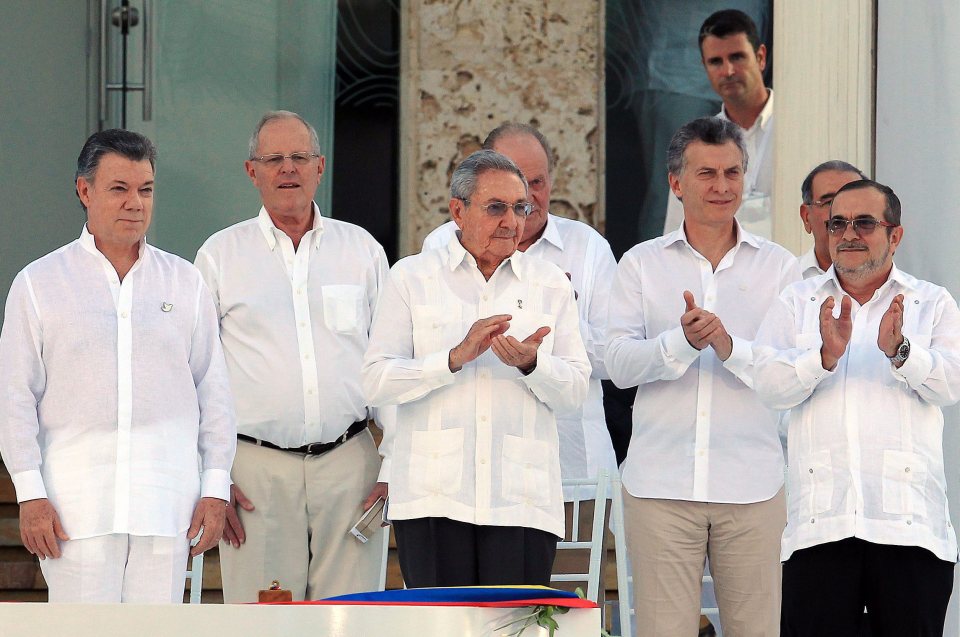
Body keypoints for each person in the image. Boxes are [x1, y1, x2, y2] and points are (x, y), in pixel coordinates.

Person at [0, 129, 235, 603]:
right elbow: (14, 397)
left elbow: (213, 393)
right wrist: (29, 492)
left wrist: (215, 487)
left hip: (166, 503)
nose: (135, 203)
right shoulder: (39, 284)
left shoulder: (184, 282)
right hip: (74, 508)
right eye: (119, 188)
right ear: (84, 191)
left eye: (145, 189)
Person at [606, 116, 799, 636]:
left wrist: (728, 347)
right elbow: (616, 365)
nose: (722, 187)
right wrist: (680, 343)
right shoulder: (641, 264)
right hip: (660, 486)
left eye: (733, 173)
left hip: (753, 486)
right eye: (707, 173)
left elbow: (792, 373)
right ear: (676, 183)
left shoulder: (782, 269)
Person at [362, 149, 590, 587]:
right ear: (457, 211)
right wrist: (451, 359)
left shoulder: (550, 283)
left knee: (511, 632)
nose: (511, 221)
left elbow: (575, 391)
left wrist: (533, 364)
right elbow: (376, 381)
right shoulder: (411, 277)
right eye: (496, 207)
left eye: (519, 208)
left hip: (520, 498)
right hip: (433, 496)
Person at [195, 111, 389, 602]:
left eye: (299, 157)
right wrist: (212, 476)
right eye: (273, 159)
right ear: (251, 170)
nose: (288, 169)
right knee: (265, 619)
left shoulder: (361, 250)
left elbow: (391, 360)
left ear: (319, 166)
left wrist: (394, 465)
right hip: (255, 471)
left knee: (351, 619)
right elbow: (196, 376)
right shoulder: (220, 256)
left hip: (352, 465)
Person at [755, 179, 959, 636]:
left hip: (909, 527)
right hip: (820, 526)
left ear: (895, 235)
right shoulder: (798, 301)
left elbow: (950, 384)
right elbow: (768, 385)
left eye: (864, 223)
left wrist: (901, 351)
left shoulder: (931, 303)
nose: (848, 233)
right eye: (837, 223)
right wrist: (822, 358)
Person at [422, 122, 619, 511]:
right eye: (511, 184)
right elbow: (427, 353)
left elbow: (614, 359)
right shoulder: (441, 244)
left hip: (569, 476)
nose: (526, 197)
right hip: (465, 477)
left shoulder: (588, 248)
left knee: (573, 576)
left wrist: (560, 311)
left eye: (537, 182)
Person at [664, 9, 774, 239]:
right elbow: (674, 237)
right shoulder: (694, 144)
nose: (728, 71)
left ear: (761, 57)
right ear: (704, 67)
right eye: (716, 62)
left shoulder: (799, 129)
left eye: (737, 57)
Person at [798, 160, 866, 279]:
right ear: (806, 217)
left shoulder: (899, 289)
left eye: (855, 202)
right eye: (830, 202)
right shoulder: (787, 281)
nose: (844, 213)